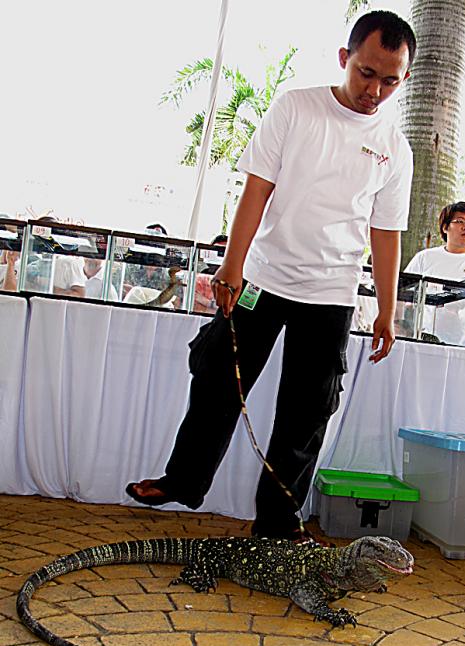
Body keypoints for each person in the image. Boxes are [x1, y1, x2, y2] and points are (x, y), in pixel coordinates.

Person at [126, 10, 416, 540]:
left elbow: (386, 233)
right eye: (367, 73)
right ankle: (184, 481)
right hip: (262, 278)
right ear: (344, 59)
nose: (376, 89)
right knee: (216, 377)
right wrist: (232, 263)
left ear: (404, 79)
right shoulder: (296, 107)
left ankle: (277, 524)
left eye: (390, 80)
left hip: (331, 295)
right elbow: (257, 187)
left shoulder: (396, 148)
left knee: (306, 416)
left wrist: (388, 310)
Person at [404, 201, 465, 346]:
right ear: (445, 227)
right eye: (460, 221)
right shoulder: (424, 258)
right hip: (426, 342)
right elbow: (402, 297)